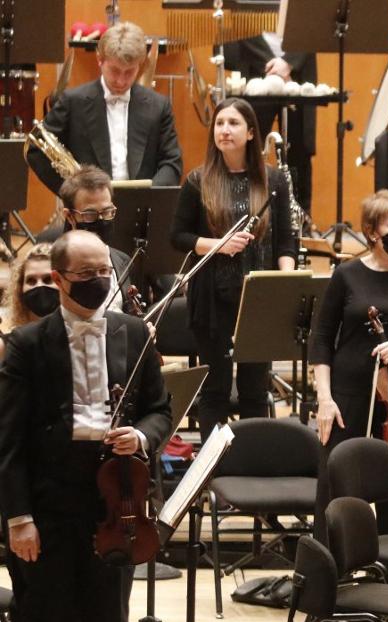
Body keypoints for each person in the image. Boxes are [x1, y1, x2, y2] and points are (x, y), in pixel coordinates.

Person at [0, 230, 171, 622]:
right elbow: (9, 443)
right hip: (50, 506)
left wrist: (140, 438)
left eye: (106, 271)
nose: (101, 281)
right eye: (87, 274)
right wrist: (17, 517)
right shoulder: (28, 344)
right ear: (60, 279)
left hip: (114, 501)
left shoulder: (134, 333)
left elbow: (160, 410)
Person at [171, 98, 297, 441]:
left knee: (255, 390)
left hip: (258, 298)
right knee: (216, 390)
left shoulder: (273, 181)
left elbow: (286, 241)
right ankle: (214, 469)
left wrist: (283, 284)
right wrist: (218, 246)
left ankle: (251, 461)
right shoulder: (198, 181)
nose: (224, 130)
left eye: (233, 123)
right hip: (212, 296)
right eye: (219, 123)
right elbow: (178, 237)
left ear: (251, 132)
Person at [309, 190, 388, 537]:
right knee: (336, 486)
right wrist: (324, 400)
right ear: (372, 232)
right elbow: (322, 338)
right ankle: (332, 573)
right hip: (347, 395)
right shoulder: (347, 274)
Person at [27, 22, 182, 196]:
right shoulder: (73, 101)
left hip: (141, 212)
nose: (121, 81)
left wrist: (149, 197)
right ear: (99, 59)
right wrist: (73, 195)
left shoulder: (158, 106)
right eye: (115, 70)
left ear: (141, 64)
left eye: (129, 72)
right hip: (87, 213)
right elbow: (36, 150)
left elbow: (172, 162)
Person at [223, 33, 317, 213]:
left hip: (298, 70)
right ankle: (247, 214)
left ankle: (300, 220)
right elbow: (243, 19)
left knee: (299, 150)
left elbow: (312, 20)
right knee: (249, 146)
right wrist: (276, 69)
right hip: (255, 69)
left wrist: (289, 62)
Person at [57, 166, 134, 309]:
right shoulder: (57, 265)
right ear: (69, 216)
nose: (101, 220)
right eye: (90, 214)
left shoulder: (124, 261)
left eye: (107, 212)